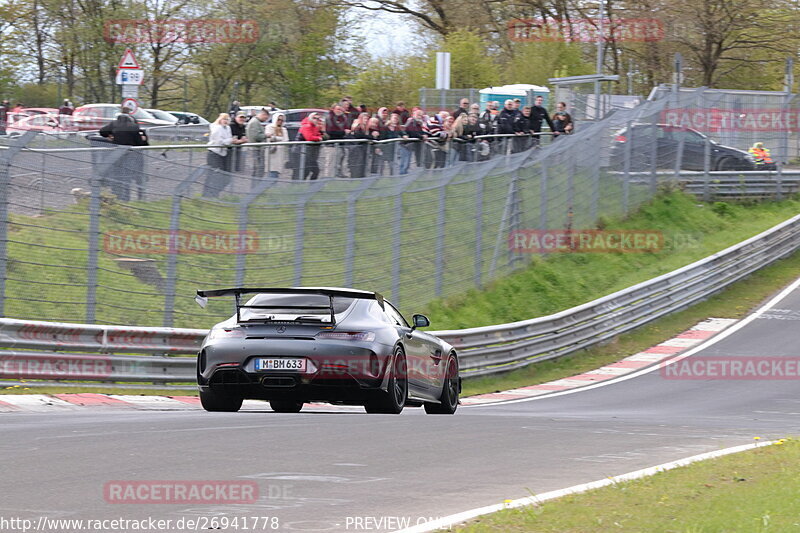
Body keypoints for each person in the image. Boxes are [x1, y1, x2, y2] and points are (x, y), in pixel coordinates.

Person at [98, 108, 149, 201]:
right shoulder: (133, 126)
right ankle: (130, 198)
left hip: (116, 156)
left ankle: (116, 197)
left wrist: (110, 135)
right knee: (128, 179)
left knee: (117, 177)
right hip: (131, 156)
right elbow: (139, 143)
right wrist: (144, 140)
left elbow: (102, 131)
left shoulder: (114, 124)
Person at [204, 113, 234, 197]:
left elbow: (228, 139)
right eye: (224, 119)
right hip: (214, 153)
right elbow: (219, 142)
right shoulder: (216, 128)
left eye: (227, 119)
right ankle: (208, 195)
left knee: (225, 176)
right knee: (214, 175)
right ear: (220, 119)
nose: (226, 121)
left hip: (223, 153)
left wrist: (230, 140)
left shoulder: (228, 128)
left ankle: (214, 193)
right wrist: (231, 140)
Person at [295, 112, 323, 180]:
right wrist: (319, 138)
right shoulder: (306, 126)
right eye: (314, 118)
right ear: (310, 118)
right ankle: (299, 185)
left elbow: (319, 135)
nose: (316, 120)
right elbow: (309, 137)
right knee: (303, 171)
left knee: (311, 171)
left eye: (318, 118)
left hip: (309, 152)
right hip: (301, 152)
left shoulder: (315, 126)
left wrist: (319, 137)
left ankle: (309, 186)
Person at [400, 108, 427, 174]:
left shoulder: (418, 123)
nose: (419, 117)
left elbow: (420, 131)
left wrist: (425, 135)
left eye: (421, 115)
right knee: (405, 162)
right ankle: (402, 176)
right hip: (406, 145)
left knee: (410, 162)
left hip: (413, 145)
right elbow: (412, 132)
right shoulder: (411, 121)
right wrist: (422, 136)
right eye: (418, 115)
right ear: (413, 115)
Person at [246, 108, 270, 178]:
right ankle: (255, 187)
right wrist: (266, 135)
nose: (266, 120)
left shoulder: (256, 122)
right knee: (258, 170)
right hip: (255, 149)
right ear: (263, 115)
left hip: (256, 149)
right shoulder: (254, 122)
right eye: (266, 118)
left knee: (258, 169)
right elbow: (256, 136)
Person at [265, 112, 288, 179]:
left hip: (280, 153)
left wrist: (275, 138)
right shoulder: (269, 127)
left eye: (282, 120)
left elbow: (286, 140)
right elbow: (269, 137)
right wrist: (279, 138)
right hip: (272, 153)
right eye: (278, 120)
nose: (280, 122)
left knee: (276, 174)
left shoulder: (284, 129)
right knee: (272, 174)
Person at [348, 112, 371, 178]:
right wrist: (369, 137)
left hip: (362, 149)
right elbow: (359, 135)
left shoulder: (366, 128)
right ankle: (354, 177)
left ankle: (361, 177)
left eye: (367, 119)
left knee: (362, 164)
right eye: (365, 119)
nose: (366, 120)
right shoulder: (357, 126)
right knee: (355, 164)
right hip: (355, 149)